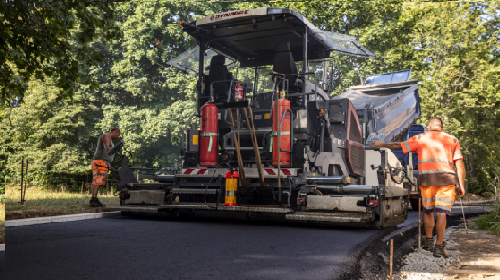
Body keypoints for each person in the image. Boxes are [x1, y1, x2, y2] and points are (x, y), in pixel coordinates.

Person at [370, 117, 466, 258]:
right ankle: (439, 247)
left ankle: (428, 241)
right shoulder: (453, 140)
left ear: (428, 126)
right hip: (447, 180)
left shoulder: (421, 138)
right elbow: (460, 164)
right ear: (442, 127)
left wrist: (381, 144)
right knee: (442, 213)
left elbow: (398, 146)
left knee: (428, 211)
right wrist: (461, 185)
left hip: (427, 180)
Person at [90, 128, 121, 207]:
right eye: (118, 135)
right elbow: (106, 145)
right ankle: (94, 200)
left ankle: (94, 199)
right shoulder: (106, 135)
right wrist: (109, 152)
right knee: (98, 181)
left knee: (96, 181)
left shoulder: (109, 138)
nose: (117, 137)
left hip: (102, 162)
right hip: (101, 162)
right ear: (116, 132)